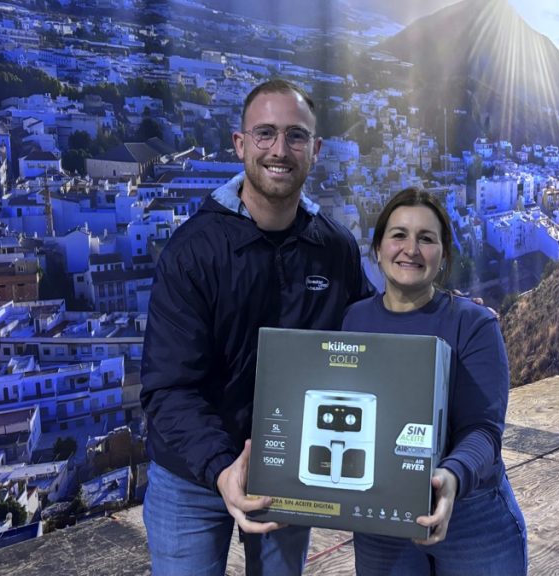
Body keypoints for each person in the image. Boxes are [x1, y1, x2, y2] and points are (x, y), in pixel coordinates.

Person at [139, 79, 373, 576]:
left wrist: (443, 313)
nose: (280, 150)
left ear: (316, 150)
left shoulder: (335, 249)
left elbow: (373, 335)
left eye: (295, 135)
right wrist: (222, 468)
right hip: (190, 475)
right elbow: (168, 387)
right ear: (240, 144)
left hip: (287, 468)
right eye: (265, 133)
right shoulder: (192, 253)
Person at [342, 187, 527, 576]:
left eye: (426, 239)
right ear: (377, 249)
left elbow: (483, 431)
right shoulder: (354, 320)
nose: (411, 249)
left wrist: (451, 477)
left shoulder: (474, 324)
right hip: (380, 514)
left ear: (443, 257)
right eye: (399, 235)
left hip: (471, 515)